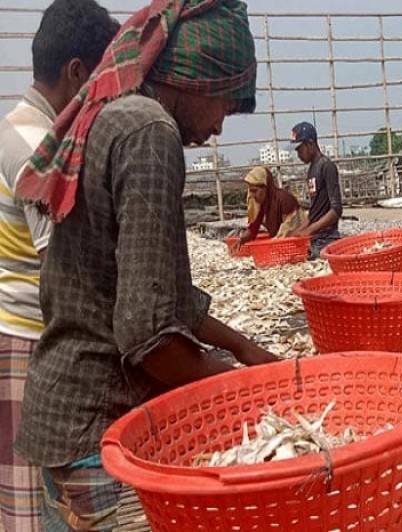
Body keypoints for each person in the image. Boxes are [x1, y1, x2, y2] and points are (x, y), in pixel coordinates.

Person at [13, 1, 279, 529]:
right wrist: (235, 392)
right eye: (225, 105)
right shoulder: (149, 132)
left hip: (62, 419)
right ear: (196, 80)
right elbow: (148, 332)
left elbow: (147, 291)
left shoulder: (115, 113)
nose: (221, 126)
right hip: (101, 432)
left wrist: (243, 348)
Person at [0, 1, 118, 530]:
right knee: (34, 510)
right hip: (30, 342)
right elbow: (62, 273)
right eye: (100, 80)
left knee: (22, 502)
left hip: (15, 333)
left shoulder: (12, 129)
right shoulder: (36, 148)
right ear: (77, 73)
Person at [287, 121, 343, 258]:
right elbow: (314, 211)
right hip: (315, 237)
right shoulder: (312, 169)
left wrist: (309, 231)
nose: (298, 154)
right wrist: (300, 231)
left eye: (300, 149)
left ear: (310, 144)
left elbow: (336, 210)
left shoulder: (326, 166)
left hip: (326, 237)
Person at [233, 165, 306, 251]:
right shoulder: (264, 204)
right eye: (251, 191)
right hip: (281, 244)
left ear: (265, 188)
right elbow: (254, 227)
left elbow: (288, 231)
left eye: (255, 191)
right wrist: (241, 240)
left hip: (297, 243)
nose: (252, 195)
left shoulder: (284, 199)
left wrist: (271, 246)